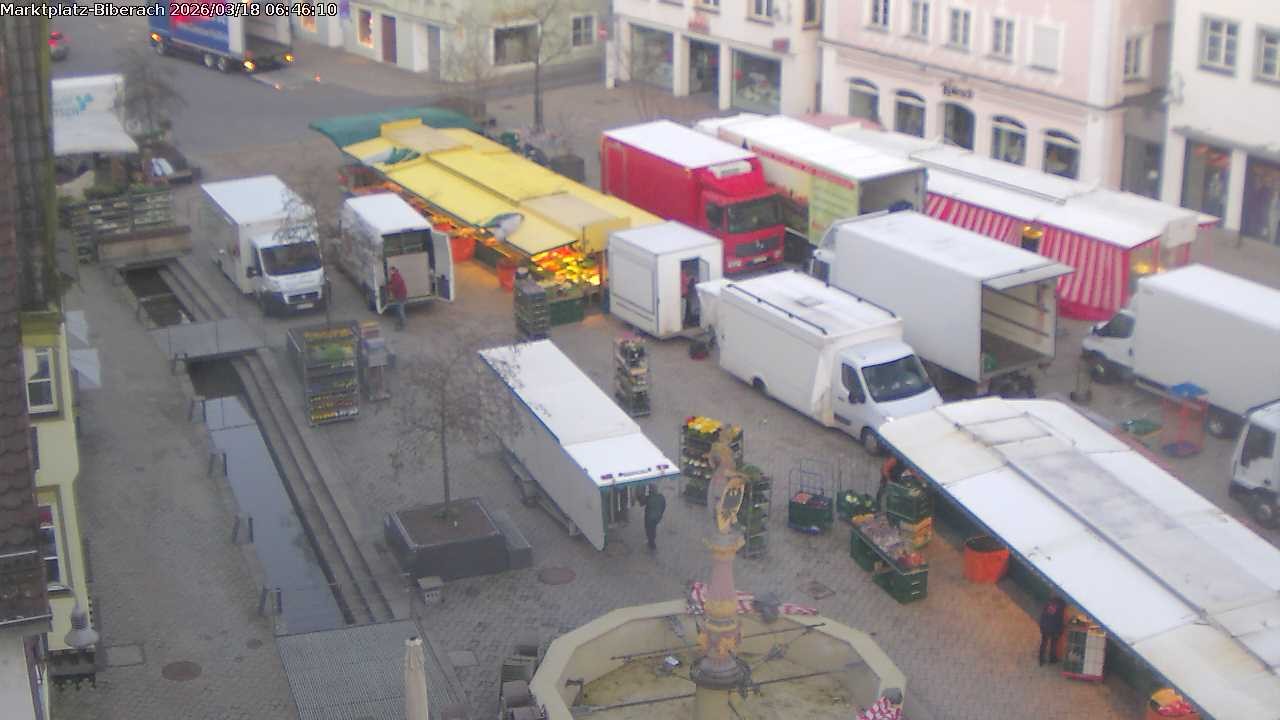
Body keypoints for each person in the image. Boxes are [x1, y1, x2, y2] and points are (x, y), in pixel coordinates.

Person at [1038, 595, 1067, 666]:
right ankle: (1052, 659)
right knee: (1053, 644)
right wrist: (1061, 630)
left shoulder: (1048, 603)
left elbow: (1043, 615)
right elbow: (1059, 620)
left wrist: (1041, 626)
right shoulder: (1061, 607)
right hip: (1054, 628)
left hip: (1045, 626)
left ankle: (1041, 659)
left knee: (1044, 643)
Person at [643, 485, 667, 551]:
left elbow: (643, 503)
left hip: (649, 518)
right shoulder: (661, 497)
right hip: (657, 517)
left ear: (651, 490)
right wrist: (660, 514)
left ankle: (651, 543)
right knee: (653, 528)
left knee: (649, 530)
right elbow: (664, 506)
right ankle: (652, 541)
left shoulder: (649, 497)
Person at [387, 266, 408, 330]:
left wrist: (388, 287)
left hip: (401, 296)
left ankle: (403, 324)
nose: (389, 272)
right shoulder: (394, 276)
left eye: (390, 271)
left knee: (400, 310)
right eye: (389, 271)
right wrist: (389, 283)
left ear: (393, 270)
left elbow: (395, 287)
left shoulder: (397, 277)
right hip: (398, 295)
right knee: (398, 309)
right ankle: (400, 322)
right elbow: (392, 282)